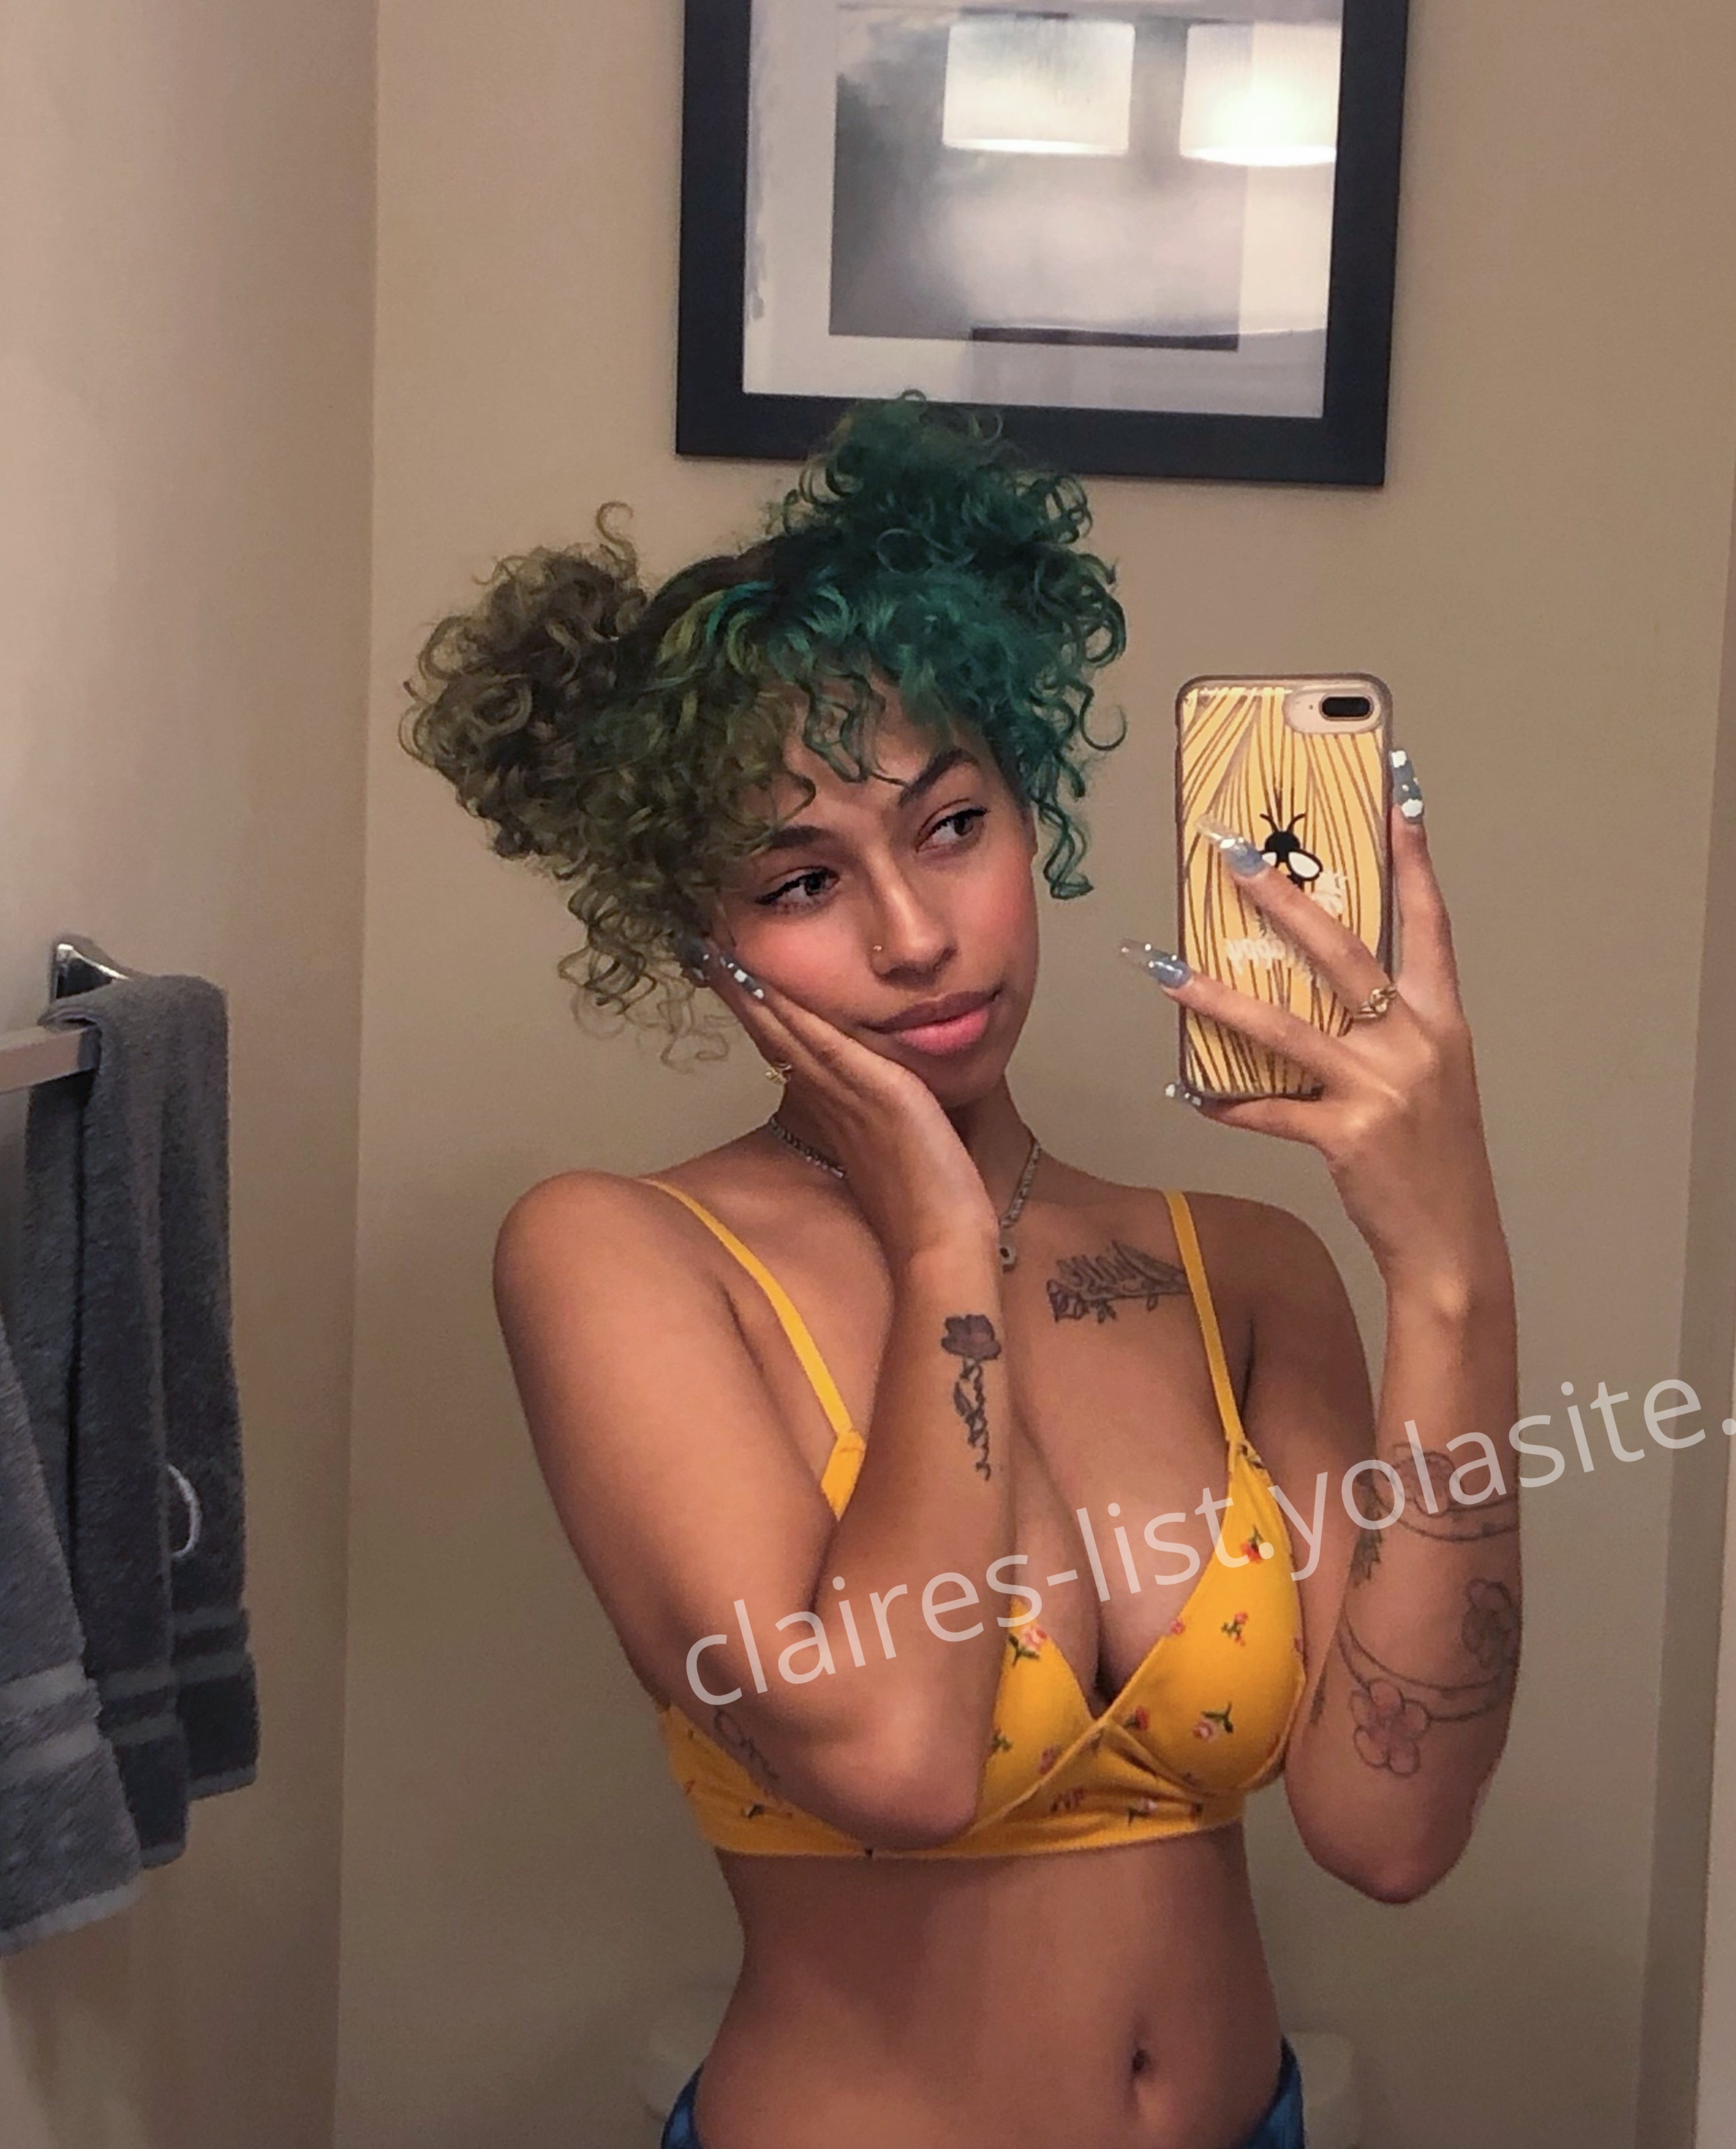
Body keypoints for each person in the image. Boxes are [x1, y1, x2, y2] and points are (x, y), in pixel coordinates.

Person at [400, 397, 1522, 2149]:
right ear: (698, 942)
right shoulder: (619, 1255)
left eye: (950, 828)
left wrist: (1450, 1263)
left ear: (1031, 816)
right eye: (800, 880)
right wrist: (940, 1244)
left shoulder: (1245, 1271)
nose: (915, 936)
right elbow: (897, 1760)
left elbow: (1394, 1827)